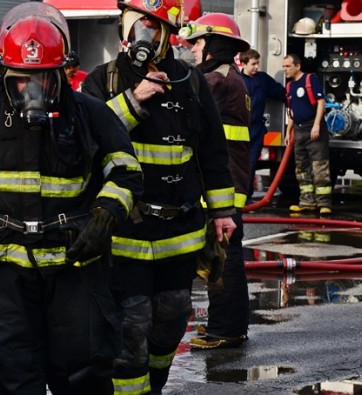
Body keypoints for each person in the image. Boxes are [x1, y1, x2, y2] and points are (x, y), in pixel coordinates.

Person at [0, 3, 143, 393]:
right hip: (8, 275)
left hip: (75, 266)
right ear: (6, 76)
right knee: (11, 375)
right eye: (21, 80)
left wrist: (105, 217)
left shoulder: (90, 115)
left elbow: (127, 172)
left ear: (62, 74)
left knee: (82, 375)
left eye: (43, 79)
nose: (32, 90)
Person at [81, 0, 238, 392]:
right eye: (138, 25)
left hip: (178, 231)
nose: (144, 35)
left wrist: (222, 213)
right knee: (132, 325)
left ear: (168, 35)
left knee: (171, 318)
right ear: (124, 29)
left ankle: (154, 385)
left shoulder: (191, 80)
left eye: (153, 27)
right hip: (125, 231)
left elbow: (213, 153)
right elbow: (86, 137)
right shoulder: (104, 80)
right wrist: (135, 100)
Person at [180, 13, 252, 350]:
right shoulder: (229, 77)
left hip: (223, 185)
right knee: (223, 254)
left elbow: (180, 106)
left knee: (223, 257)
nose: (193, 50)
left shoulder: (216, 81)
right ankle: (227, 326)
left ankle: (227, 329)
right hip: (230, 180)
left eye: (197, 43)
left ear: (214, 45)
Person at [282, 53, 332, 215]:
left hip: (313, 129)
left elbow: (321, 102)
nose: (285, 70)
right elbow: (291, 111)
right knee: (301, 168)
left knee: (319, 167)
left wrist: (317, 125)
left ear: (298, 66)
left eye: (288, 66)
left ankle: (324, 204)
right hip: (299, 130)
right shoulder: (289, 86)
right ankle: (306, 202)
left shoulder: (311, 80)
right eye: (283, 66)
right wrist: (288, 131)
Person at [239, 48, 285, 197]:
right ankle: (237, 198)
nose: (256, 67)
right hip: (239, 132)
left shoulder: (263, 79)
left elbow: (280, 93)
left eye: (257, 63)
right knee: (238, 167)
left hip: (257, 131)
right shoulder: (236, 81)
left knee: (251, 166)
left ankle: (246, 197)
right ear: (243, 64)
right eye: (253, 64)